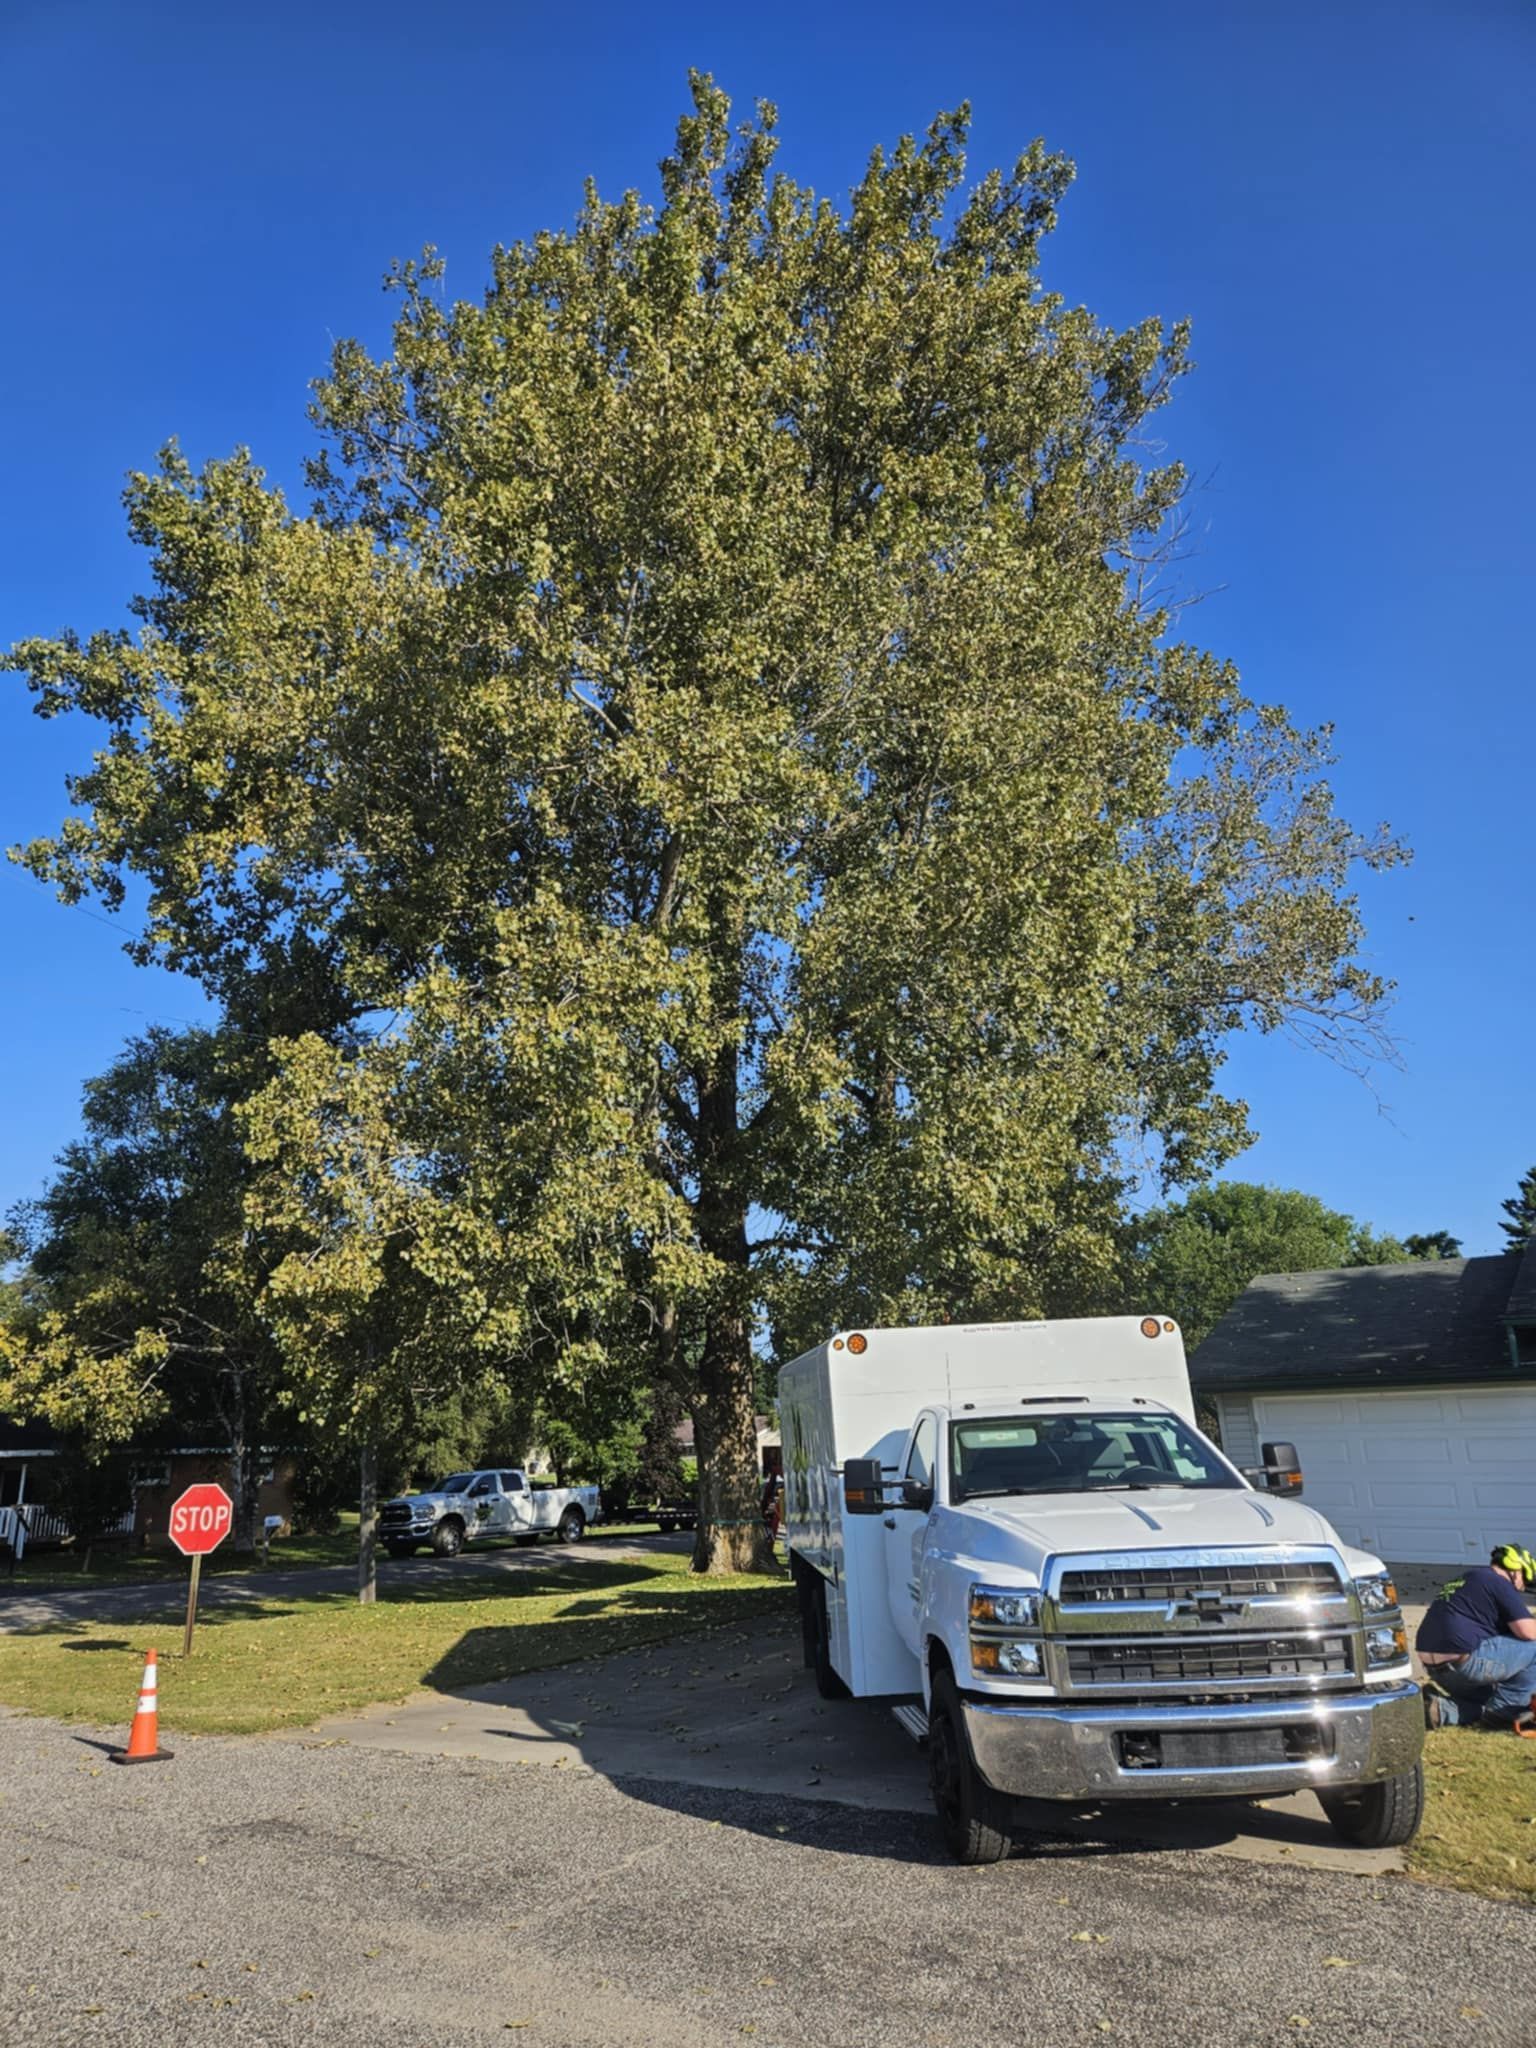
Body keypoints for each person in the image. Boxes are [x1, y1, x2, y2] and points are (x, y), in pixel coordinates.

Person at [1417, 1544, 1536, 1730]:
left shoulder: (1469, 1579)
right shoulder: (1498, 1582)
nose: (1522, 1588)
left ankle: (1440, 1710)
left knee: (1491, 1701)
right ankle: (1501, 1716)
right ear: (1515, 1569)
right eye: (1525, 1580)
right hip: (1464, 1661)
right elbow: (1528, 1632)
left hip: (1435, 1667)